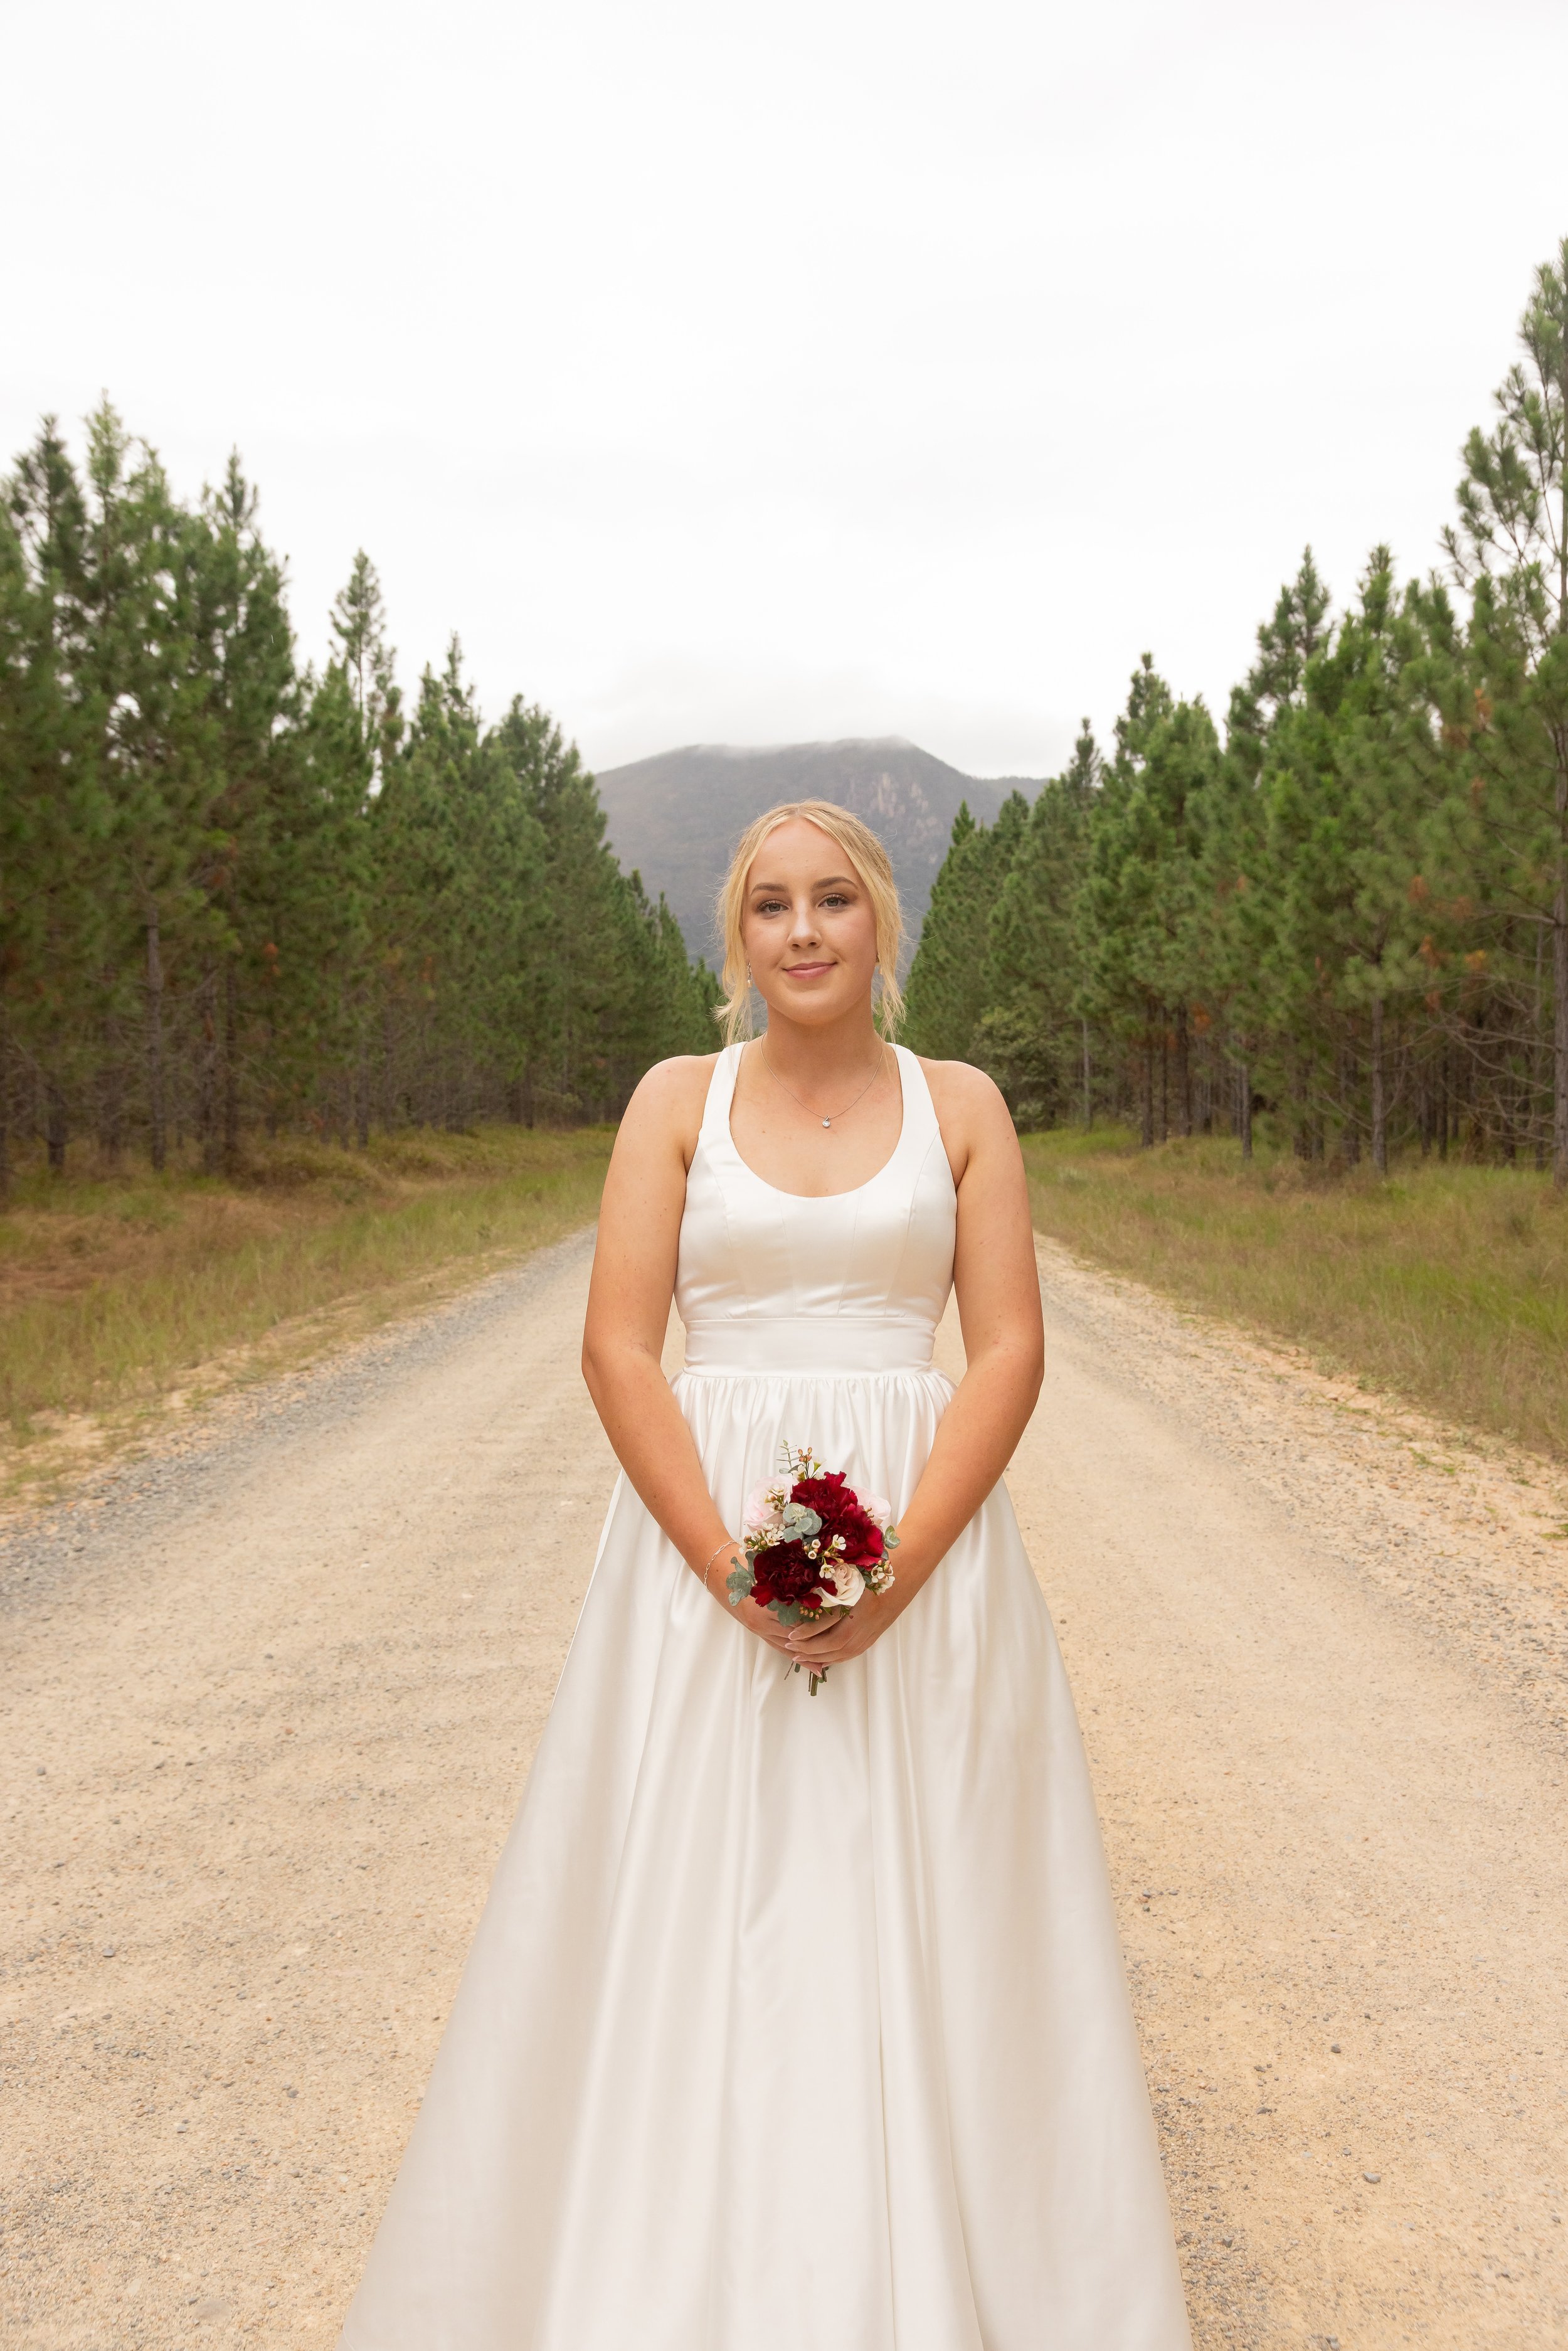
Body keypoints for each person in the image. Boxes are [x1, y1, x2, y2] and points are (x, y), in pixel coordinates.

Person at [337, 800, 1191, 2351]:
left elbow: (1006, 1346)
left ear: (881, 924)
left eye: (834, 902)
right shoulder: (674, 1098)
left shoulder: (963, 1106)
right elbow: (615, 1343)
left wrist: (902, 1566)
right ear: (736, 938)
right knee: (680, 1895)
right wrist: (731, 1568)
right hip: (697, 1567)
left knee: (940, 1899)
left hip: (930, 1570)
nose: (803, 931)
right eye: (770, 907)